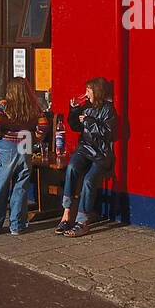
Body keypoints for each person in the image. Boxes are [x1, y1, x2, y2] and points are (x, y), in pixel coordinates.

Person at [0, 78, 50, 236]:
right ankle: (17, 225)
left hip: (7, 147)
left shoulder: (4, 105)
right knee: (21, 186)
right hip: (25, 146)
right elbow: (44, 124)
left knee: (0, 185)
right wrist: (36, 139)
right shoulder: (32, 106)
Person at [56, 76, 118, 237]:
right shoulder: (86, 107)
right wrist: (74, 110)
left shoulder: (109, 110)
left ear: (97, 92)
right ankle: (67, 213)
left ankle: (82, 222)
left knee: (89, 181)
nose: (86, 93)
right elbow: (75, 126)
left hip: (101, 153)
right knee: (71, 168)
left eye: (88, 90)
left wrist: (89, 121)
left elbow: (108, 133)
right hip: (84, 149)